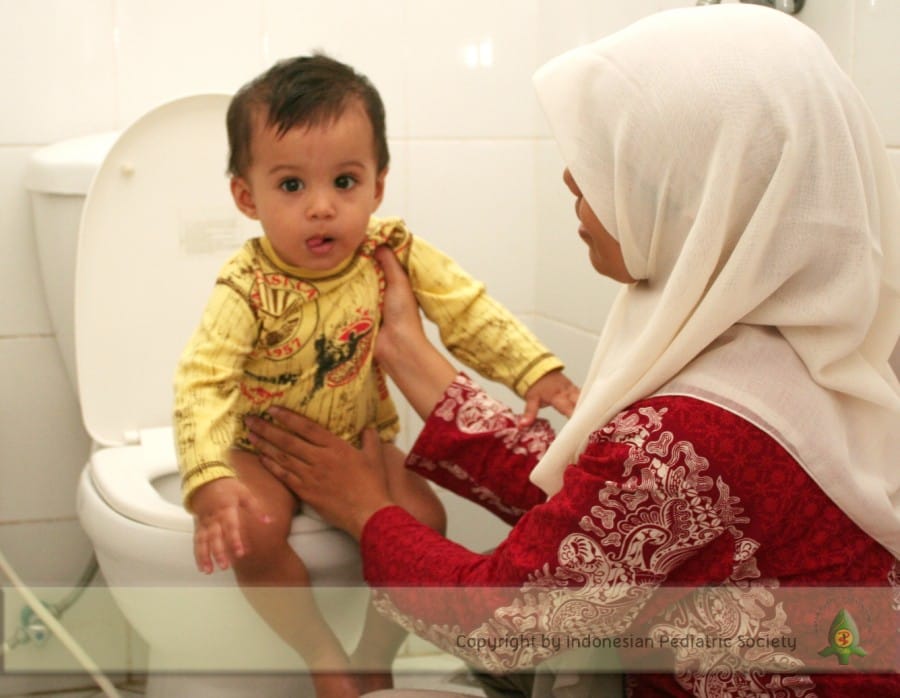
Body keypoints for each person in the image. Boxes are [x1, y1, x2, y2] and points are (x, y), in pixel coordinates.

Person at [244, 5, 900, 697]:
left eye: (611, 158)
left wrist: (366, 510)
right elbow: (608, 506)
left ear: (699, 194)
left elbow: (502, 622)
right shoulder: (818, 346)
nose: (570, 179)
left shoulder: (695, 433)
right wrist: (407, 350)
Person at [172, 53, 580, 698]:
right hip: (260, 444)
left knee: (424, 517)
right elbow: (203, 380)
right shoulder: (245, 285)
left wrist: (534, 370)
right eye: (291, 186)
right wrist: (208, 480)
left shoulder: (388, 250)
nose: (322, 207)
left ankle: (373, 654)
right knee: (255, 532)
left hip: (358, 436)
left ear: (378, 186)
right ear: (246, 197)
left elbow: (464, 307)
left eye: (344, 181)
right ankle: (320, 653)